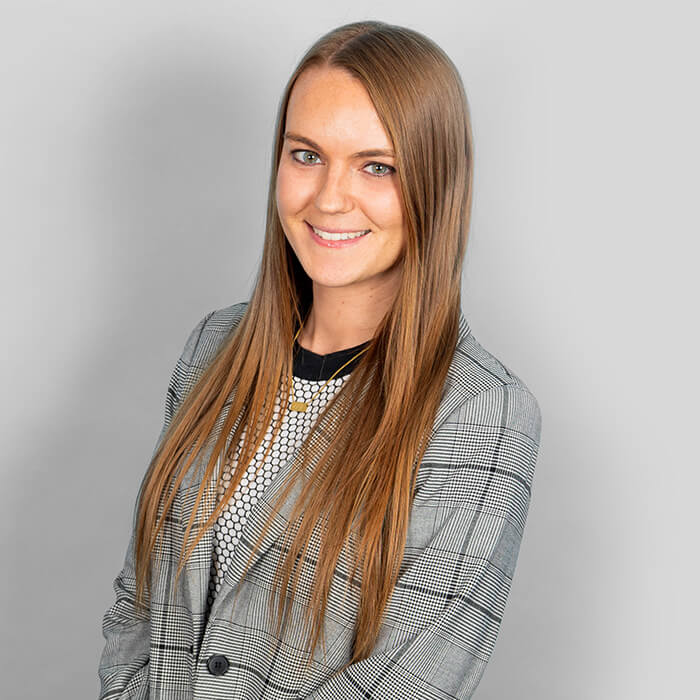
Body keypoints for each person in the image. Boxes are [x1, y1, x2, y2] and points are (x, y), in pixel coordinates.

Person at [97, 19, 542, 700]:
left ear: (434, 182)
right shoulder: (212, 349)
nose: (329, 198)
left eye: (377, 166)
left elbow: (407, 681)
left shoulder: (481, 411)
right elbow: (141, 599)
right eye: (306, 155)